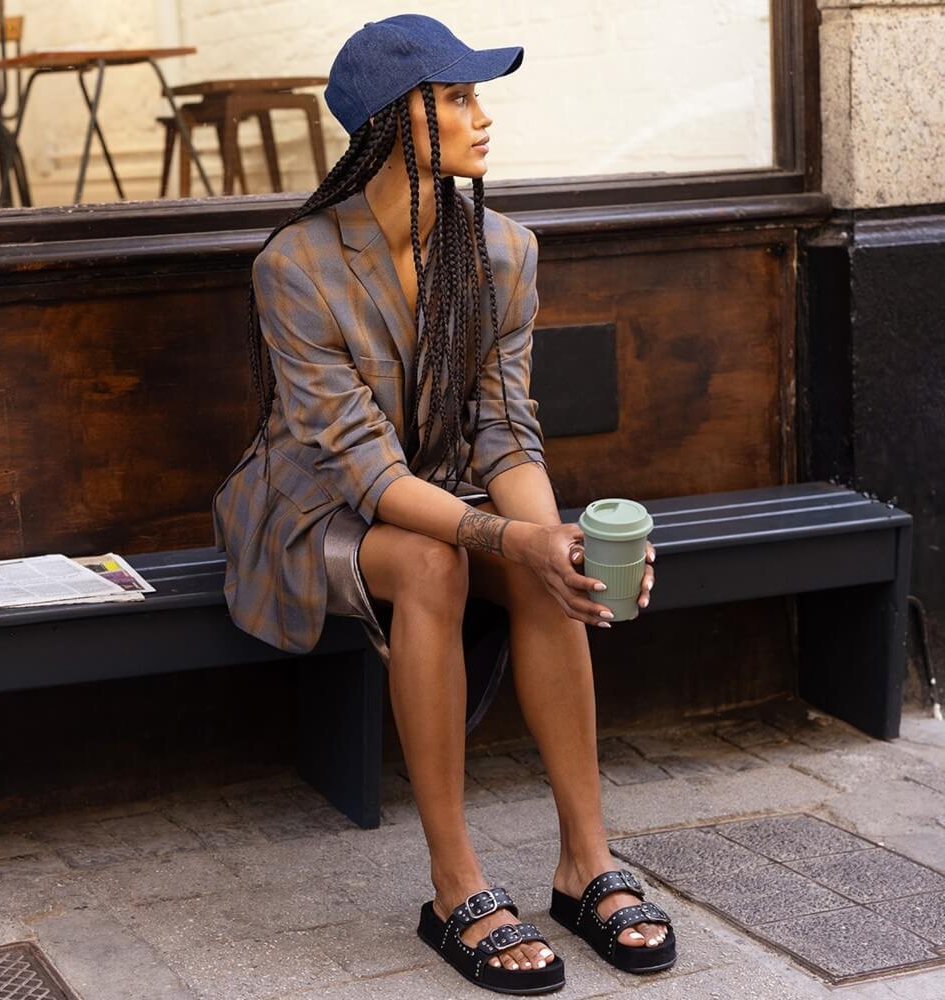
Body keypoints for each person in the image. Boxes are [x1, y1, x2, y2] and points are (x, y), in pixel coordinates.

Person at [212, 13, 674, 995]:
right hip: (309, 508)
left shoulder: (502, 252)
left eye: (476, 95)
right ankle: (452, 879)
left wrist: (550, 540)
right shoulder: (295, 267)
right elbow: (365, 476)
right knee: (437, 558)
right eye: (456, 97)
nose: (481, 115)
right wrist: (508, 532)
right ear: (390, 122)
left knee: (534, 559)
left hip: (436, 488)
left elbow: (505, 434)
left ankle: (584, 861)